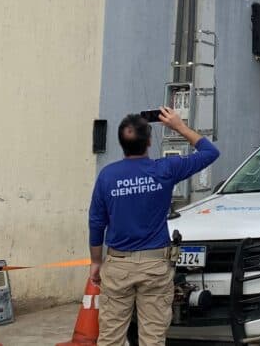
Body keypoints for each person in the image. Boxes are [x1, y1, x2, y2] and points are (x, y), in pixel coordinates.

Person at [89, 108, 220, 346]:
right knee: (153, 338)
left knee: (110, 337)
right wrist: (179, 126)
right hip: (155, 266)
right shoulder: (165, 169)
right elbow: (210, 152)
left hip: (118, 265)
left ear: (121, 143)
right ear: (149, 141)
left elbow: (96, 222)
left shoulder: (107, 176)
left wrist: (96, 262)